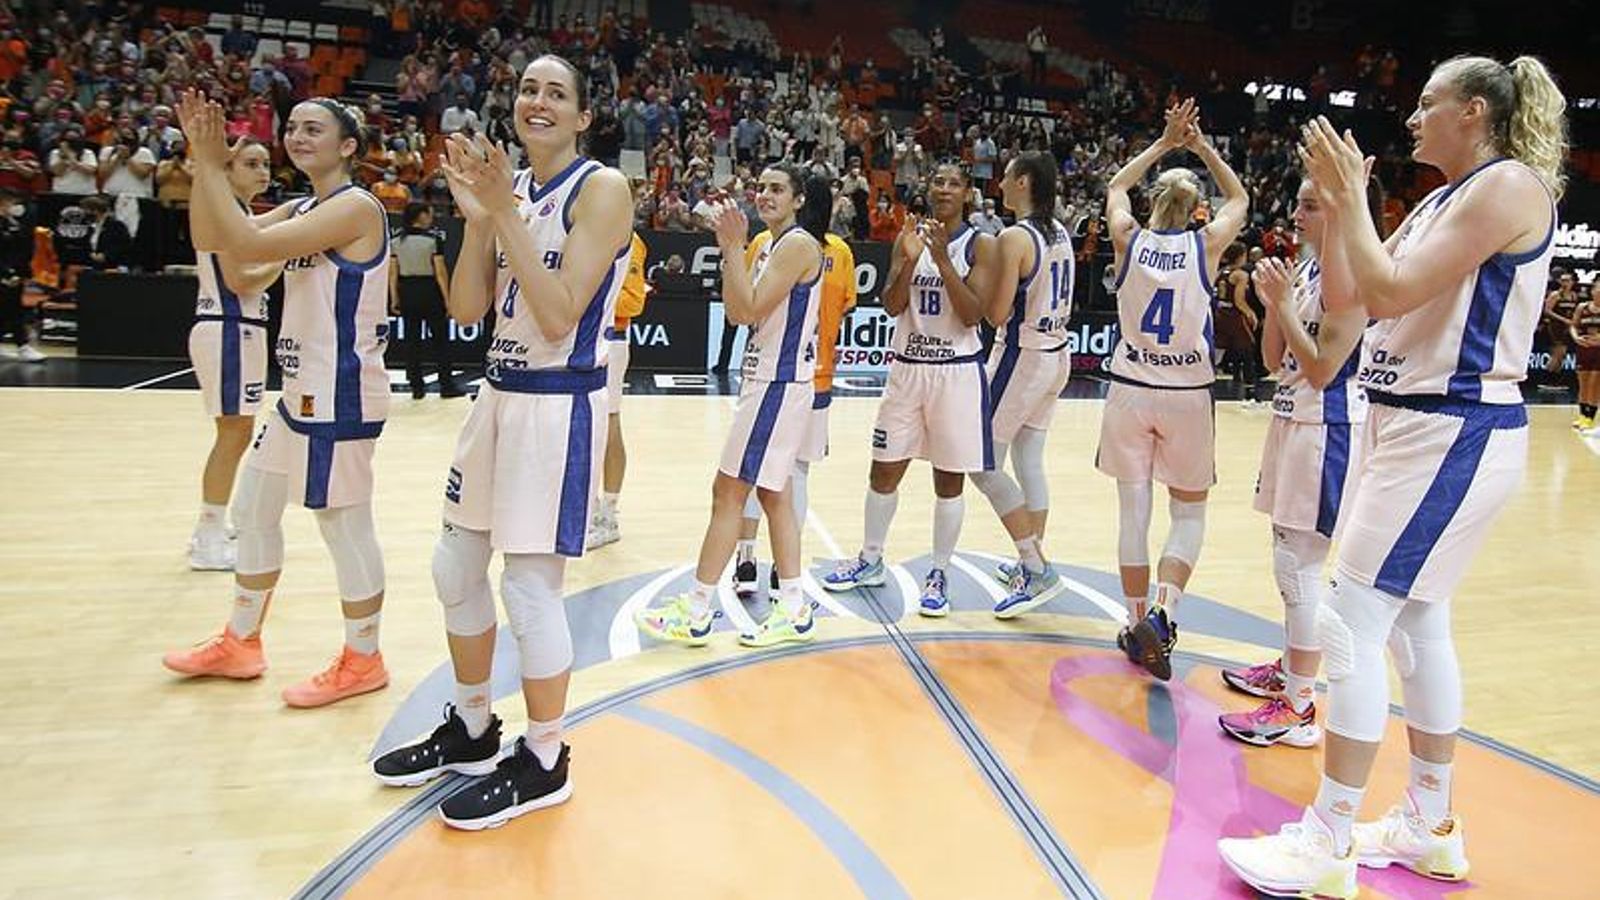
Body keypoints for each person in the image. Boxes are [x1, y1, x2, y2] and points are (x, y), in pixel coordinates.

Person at [1219, 55, 1567, 898]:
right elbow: (1358, 297)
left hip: (1449, 427)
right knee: (1416, 628)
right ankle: (1429, 823)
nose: (1410, 118)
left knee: (1352, 622)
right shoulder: (1449, 199)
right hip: (1413, 425)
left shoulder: (1510, 185)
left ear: (1473, 111)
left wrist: (1355, 204)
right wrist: (1342, 211)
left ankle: (1329, 837)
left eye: (1426, 102)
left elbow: (1393, 284)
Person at [370, 56, 634, 830]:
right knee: (454, 565)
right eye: (527, 89)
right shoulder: (508, 189)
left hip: (556, 404)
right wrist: (480, 217)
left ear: (584, 117)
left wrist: (504, 213)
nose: (538, 101)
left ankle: (548, 757)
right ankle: (474, 728)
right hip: (496, 393)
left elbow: (557, 317)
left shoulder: (602, 191)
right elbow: (464, 309)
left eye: (557, 93)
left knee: (527, 587)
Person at [162, 92, 394, 711]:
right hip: (299, 391)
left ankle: (364, 656)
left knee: (343, 524)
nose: (298, 136)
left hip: (340, 390)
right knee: (255, 509)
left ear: (348, 145)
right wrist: (204, 166)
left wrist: (211, 168)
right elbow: (217, 241)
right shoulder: (301, 206)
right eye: (292, 127)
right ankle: (241, 640)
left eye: (314, 128)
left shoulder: (356, 207)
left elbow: (251, 247)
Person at [634, 162, 830, 647]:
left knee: (727, 493)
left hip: (776, 383)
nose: (765, 195)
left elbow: (743, 311)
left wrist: (731, 248)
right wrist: (735, 253)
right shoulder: (771, 245)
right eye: (762, 187)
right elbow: (739, 306)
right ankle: (794, 606)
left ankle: (698, 609)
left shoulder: (800, 244)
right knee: (774, 494)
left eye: (778, 189)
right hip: (773, 381)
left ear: (799, 200)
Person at [1098, 98, 1248, 680]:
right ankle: (1164, 613)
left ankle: (1136, 620)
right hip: (1187, 392)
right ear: (1195, 210)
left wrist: (1163, 143)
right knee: (1187, 513)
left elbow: (1114, 185)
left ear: (1155, 198)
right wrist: (1201, 144)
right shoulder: (1206, 245)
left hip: (1131, 387)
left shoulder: (1127, 236)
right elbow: (1240, 199)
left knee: (1132, 514)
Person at [1217, 174, 1367, 749]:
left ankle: (1300, 708)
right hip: (1291, 416)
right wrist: (1272, 308)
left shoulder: (1347, 272)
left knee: (1299, 567)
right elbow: (1275, 359)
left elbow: (1325, 368)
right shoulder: (1306, 269)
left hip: (1326, 427)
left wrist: (1279, 303)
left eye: (1310, 205)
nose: (1296, 214)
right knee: (1286, 558)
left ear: (1338, 211)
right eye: (1297, 202)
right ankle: (1291, 669)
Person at [822, 161, 995, 616]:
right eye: (938, 180)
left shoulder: (982, 244)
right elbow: (892, 305)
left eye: (954, 182)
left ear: (968, 194)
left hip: (956, 372)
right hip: (908, 368)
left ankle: (938, 572)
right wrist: (912, 257)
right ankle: (870, 558)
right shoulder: (908, 235)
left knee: (948, 480)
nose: (944, 187)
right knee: (883, 470)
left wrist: (940, 259)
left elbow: (973, 314)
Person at [972, 150, 1075, 618]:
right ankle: (1029, 560)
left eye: (1008, 175)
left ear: (1025, 182)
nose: (1001, 181)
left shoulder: (1014, 236)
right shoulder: (1062, 232)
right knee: (1029, 458)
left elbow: (995, 316)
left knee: (982, 458)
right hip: (1058, 354)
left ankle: (1034, 567)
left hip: (1024, 354)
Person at [731, 223, 857, 596]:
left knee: (751, 472)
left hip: (771, 370)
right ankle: (783, 571)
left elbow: (746, 299)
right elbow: (847, 305)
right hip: (815, 373)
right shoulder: (840, 252)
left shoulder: (766, 244)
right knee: (796, 474)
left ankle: (747, 560)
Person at [184, 138, 279, 571]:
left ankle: (218, 526)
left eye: (266, 164)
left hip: (238, 329)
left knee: (238, 431)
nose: (263, 171)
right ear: (228, 169)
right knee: (234, 432)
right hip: (228, 327)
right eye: (252, 163)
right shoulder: (226, 213)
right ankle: (207, 535)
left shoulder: (239, 215)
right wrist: (285, 255)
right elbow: (242, 281)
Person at [586, 228, 649, 548]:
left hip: (611, 339)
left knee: (608, 421)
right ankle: (589, 507)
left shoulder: (629, 239)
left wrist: (586, 289)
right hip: (581, 337)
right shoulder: (583, 228)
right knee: (586, 424)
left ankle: (608, 515)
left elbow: (633, 301)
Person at [388, 202, 459, 399]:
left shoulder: (395, 242)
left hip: (407, 292)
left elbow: (392, 273)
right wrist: (447, 300)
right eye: (429, 214)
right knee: (440, 342)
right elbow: (440, 273)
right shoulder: (433, 240)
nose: (431, 217)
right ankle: (446, 386)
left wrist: (394, 298)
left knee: (412, 342)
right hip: (429, 291)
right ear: (420, 216)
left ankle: (417, 388)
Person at [1213, 241, 1262, 402]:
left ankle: (1203, 385)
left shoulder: (1220, 271)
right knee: (1248, 349)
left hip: (1219, 313)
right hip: (1233, 316)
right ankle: (1251, 394)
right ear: (1241, 256)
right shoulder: (1241, 274)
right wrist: (1251, 313)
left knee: (1218, 351)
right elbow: (1239, 300)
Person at [0, 188, 42, 362]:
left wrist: (20, 272)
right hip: (4, 273)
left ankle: (21, 345)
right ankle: (22, 345)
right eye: (10, 202)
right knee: (11, 310)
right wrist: (5, 274)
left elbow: (23, 248)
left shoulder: (12, 223)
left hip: (15, 273)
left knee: (12, 309)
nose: (14, 206)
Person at [1539, 268, 1580, 394]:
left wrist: (1573, 322)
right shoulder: (1555, 295)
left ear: (1572, 282)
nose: (1564, 283)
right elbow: (1547, 310)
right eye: (1562, 280)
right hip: (1554, 327)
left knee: (1561, 355)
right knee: (1557, 354)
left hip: (1567, 328)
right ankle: (1547, 380)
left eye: (1567, 280)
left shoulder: (1574, 295)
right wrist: (1563, 320)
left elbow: (1574, 312)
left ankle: (1554, 381)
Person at [1571, 280, 1600, 431]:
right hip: (1584, 348)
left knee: (1595, 384)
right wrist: (1576, 338)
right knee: (1583, 384)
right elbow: (1573, 326)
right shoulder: (1582, 307)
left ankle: (1590, 418)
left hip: (1598, 350)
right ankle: (1582, 416)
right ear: (1593, 291)